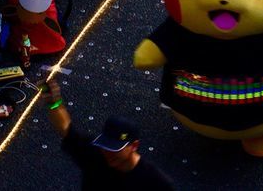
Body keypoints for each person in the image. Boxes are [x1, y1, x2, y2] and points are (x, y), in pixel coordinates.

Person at [44, 79, 175, 189]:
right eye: (105, 146)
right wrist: (54, 103)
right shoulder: (94, 153)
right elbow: (66, 129)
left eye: (115, 148)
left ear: (134, 146)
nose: (108, 153)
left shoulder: (155, 182)